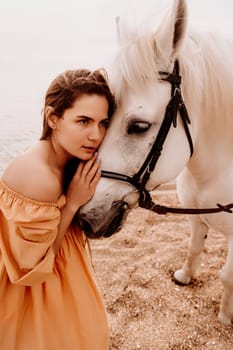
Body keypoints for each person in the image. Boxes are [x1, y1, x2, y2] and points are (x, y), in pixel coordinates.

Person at [0, 68, 116, 350]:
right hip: (27, 287)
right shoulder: (39, 176)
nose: (95, 135)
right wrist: (73, 202)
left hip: (58, 267)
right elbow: (30, 268)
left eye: (103, 123)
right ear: (53, 118)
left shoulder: (67, 160)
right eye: (84, 121)